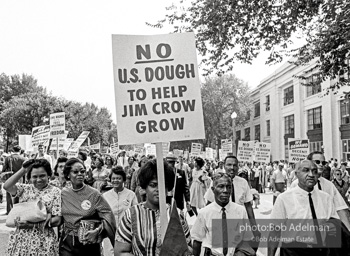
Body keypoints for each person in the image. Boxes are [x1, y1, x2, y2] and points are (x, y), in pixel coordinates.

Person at [114, 159, 192, 256]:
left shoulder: (176, 214)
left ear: (168, 188)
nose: (158, 189)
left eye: (163, 185)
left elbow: (188, 249)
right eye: (153, 185)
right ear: (144, 188)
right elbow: (120, 252)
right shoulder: (132, 215)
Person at [268, 160, 338, 256]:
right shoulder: (284, 199)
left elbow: (334, 226)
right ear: (296, 174)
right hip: (292, 252)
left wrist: (333, 226)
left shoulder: (326, 198)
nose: (311, 175)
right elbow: (274, 232)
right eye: (306, 170)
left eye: (314, 171)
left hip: (320, 251)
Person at [4, 159, 62, 255]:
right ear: (29, 177)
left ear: (49, 175)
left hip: (44, 240)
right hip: (22, 240)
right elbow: (7, 186)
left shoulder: (55, 191)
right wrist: (23, 169)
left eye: (42, 175)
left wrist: (32, 225)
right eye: (34, 176)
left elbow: (57, 220)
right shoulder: (24, 189)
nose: (38, 179)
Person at [60, 158, 116, 256]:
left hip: (88, 243)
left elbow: (108, 219)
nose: (80, 174)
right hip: (67, 243)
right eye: (75, 172)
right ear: (68, 175)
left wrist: (98, 231)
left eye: (82, 171)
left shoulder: (94, 194)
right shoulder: (63, 194)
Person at [192, 173, 255, 256]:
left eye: (229, 187)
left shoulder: (240, 211)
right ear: (213, 189)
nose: (225, 190)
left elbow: (247, 238)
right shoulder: (204, 213)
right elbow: (197, 240)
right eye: (221, 186)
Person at [290, 151, 350, 231]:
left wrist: (348, 233)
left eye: (323, 162)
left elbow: (341, 209)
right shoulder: (297, 184)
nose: (321, 164)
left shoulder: (329, 185)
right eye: (317, 162)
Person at [103, 166, 137, 256]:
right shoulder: (105, 196)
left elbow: (136, 214)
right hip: (109, 233)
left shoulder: (131, 195)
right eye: (113, 178)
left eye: (118, 178)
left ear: (123, 180)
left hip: (126, 234)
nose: (115, 181)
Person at [2, 145, 26, 214]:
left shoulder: (8, 158)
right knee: (19, 194)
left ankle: (9, 211)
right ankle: (18, 210)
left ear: (13, 150)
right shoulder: (23, 159)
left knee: (9, 194)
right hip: (20, 178)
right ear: (20, 150)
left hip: (10, 178)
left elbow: (3, 169)